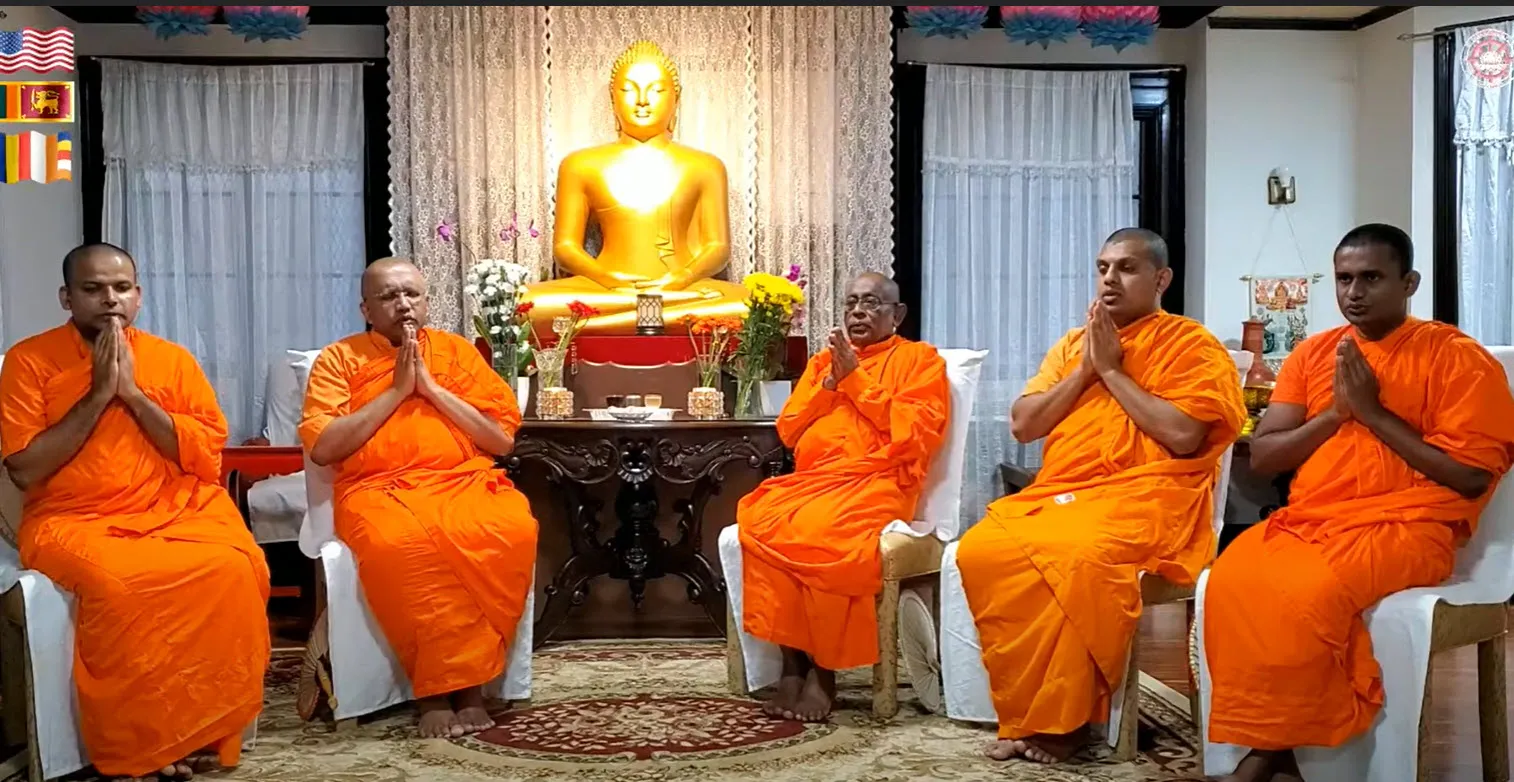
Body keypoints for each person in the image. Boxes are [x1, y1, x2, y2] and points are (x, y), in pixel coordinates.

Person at [1203, 224, 1514, 782]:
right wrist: (1336, 415)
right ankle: (1290, 747)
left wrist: (1374, 415)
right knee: (1231, 578)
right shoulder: (1314, 354)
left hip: (1411, 529)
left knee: (1305, 592)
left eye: (1371, 277)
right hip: (1313, 522)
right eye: (1345, 278)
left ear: (1409, 282)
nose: (1355, 292)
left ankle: (1267, 756)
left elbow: (1470, 477)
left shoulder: (1456, 359)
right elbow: (1268, 456)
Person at [955, 228, 1247, 764]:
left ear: (1162, 279)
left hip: (1152, 498)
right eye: (1103, 267)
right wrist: (1088, 368)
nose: (1110, 278)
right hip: (1069, 492)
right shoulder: (1074, 345)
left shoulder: (1191, 345)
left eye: (1127, 268)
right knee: (980, 550)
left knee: (1076, 555)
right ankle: (1029, 711)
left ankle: (1068, 721)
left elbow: (1183, 435)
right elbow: (1023, 424)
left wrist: (1112, 371)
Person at [0, 243, 270, 782]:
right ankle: (137, 747)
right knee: (122, 587)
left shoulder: (172, 360)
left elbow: (202, 455)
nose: (109, 300)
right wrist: (100, 395)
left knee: (236, 568)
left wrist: (136, 397)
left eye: (121, 288)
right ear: (66, 297)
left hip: (174, 509)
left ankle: (199, 729)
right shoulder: (29, 361)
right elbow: (26, 469)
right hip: (72, 519)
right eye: (92, 289)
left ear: (139, 296)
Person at [299, 257, 538, 739]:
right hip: (377, 491)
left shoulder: (457, 354)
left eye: (412, 294)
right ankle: (434, 692)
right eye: (388, 296)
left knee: (513, 526)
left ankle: (470, 688)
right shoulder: (338, 360)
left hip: (461, 481)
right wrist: (395, 391)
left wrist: (429, 388)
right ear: (366, 308)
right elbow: (324, 447)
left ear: (428, 301)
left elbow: (500, 440)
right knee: (402, 545)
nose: (403, 304)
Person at [737, 271, 951, 722]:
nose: (858, 311)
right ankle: (792, 664)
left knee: (823, 533)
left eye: (872, 303)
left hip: (877, 485)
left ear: (898, 314)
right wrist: (830, 385)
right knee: (759, 518)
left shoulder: (920, 361)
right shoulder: (823, 363)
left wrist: (857, 382)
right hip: (815, 482)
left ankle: (825, 671)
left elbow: (915, 434)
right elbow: (789, 430)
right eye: (851, 302)